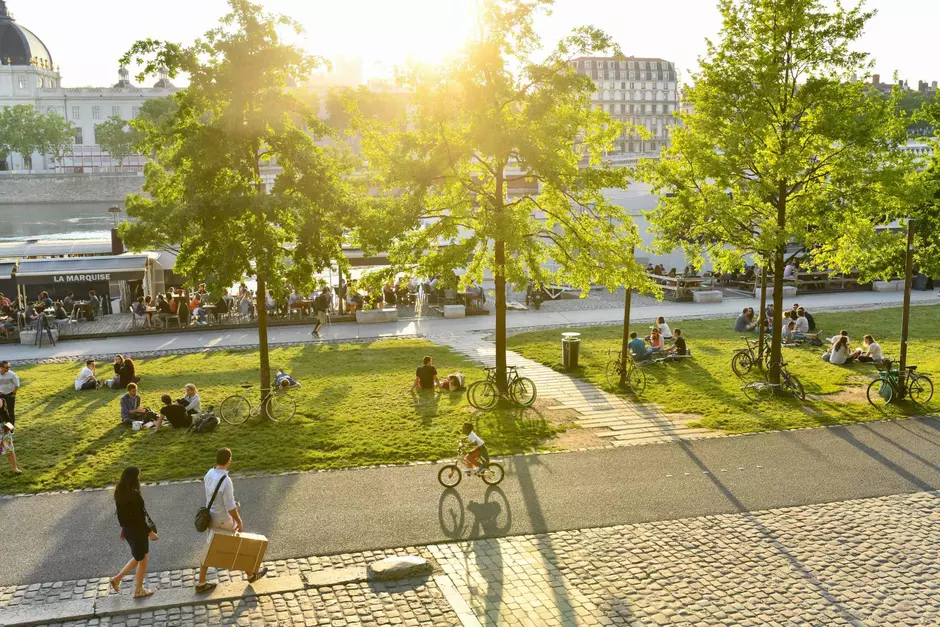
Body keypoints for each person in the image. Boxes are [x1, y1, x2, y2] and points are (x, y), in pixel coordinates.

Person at [196, 448, 268, 593]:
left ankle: (201, 582)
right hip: (223, 520)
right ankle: (251, 575)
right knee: (238, 546)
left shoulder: (209, 473)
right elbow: (229, 507)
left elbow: (215, 496)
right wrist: (238, 521)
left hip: (211, 517)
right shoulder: (226, 480)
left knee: (209, 549)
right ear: (228, 461)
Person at [110, 467, 158, 599]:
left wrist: (123, 529)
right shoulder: (134, 495)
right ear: (134, 478)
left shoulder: (119, 492)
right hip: (138, 531)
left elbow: (121, 515)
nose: (139, 478)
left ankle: (117, 579)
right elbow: (139, 519)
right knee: (143, 560)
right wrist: (150, 532)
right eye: (138, 476)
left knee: (139, 557)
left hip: (128, 530)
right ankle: (138, 590)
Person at [0, 361, 19, 425]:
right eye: (6, 367)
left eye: (9, 367)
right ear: (1, 367)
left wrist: (13, 394)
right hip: (1, 396)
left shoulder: (12, 374)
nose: (8, 369)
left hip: (9, 395)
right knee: (1, 412)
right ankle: (4, 426)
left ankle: (11, 427)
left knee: (10, 412)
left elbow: (17, 385)